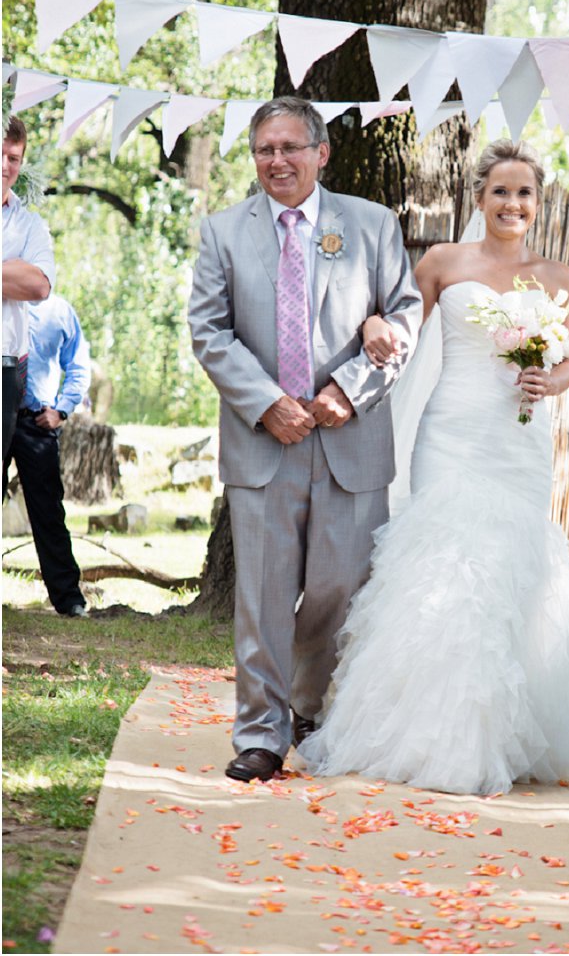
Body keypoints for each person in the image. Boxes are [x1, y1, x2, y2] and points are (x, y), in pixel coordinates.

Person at [299, 139, 569, 794]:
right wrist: (371, 325)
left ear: (537, 203)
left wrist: (551, 381)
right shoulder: (442, 262)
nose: (512, 203)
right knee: (442, 564)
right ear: (479, 198)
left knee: (508, 569)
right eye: (500, 191)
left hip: (519, 441)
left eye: (524, 192)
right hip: (449, 432)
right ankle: (417, 729)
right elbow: (397, 324)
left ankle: (500, 731)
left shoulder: (559, 277)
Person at [188, 97, 422, 784]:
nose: (277, 160)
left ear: (321, 153)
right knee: (262, 595)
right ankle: (261, 733)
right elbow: (209, 331)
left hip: (350, 438)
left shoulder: (372, 225)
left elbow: (404, 317)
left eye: (291, 147)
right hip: (264, 442)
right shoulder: (223, 232)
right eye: (265, 149)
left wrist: (350, 390)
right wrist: (266, 404)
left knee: (339, 586)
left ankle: (306, 707)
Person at [3, 293, 91, 618]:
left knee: (49, 513)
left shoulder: (60, 311)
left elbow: (78, 366)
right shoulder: (4, 305)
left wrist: (62, 410)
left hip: (37, 422)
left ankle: (69, 600)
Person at [2, 116, 54, 461]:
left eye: (14, 158)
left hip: (5, 367)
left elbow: (38, 285)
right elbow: (23, 279)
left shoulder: (29, 224)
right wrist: (11, 269)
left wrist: (25, 276)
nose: (5, 166)